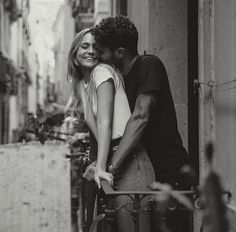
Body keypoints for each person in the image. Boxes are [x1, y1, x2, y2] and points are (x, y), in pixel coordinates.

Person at [92, 15, 193, 232]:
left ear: (119, 52)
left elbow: (141, 116)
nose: (97, 55)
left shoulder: (149, 65)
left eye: (102, 51)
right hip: (147, 175)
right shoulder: (119, 79)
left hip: (169, 174)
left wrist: (112, 167)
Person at [67, 28, 155, 232]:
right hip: (115, 162)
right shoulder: (83, 83)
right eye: (84, 46)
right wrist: (99, 163)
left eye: (95, 47)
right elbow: (96, 131)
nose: (90, 51)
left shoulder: (102, 71)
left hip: (131, 160)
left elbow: (104, 124)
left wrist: (100, 167)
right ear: (75, 51)